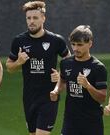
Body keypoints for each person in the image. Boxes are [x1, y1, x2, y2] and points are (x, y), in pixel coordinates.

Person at [5, 1, 70, 135]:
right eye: (28, 18)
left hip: (49, 96)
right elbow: (9, 68)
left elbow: (70, 63)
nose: (31, 21)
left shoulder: (56, 40)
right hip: (29, 97)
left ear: (43, 18)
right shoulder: (19, 41)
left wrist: (60, 75)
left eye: (35, 18)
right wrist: (19, 62)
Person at [50, 25, 107, 135]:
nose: (75, 48)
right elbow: (62, 80)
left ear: (90, 44)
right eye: (73, 44)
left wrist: (88, 86)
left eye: (80, 45)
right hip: (70, 121)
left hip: (92, 123)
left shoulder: (98, 68)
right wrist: (56, 90)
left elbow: (102, 98)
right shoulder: (65, 63)